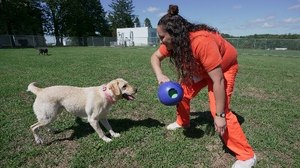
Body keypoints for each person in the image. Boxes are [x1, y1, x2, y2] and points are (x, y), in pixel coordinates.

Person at [150, 4, 256, 168]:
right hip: (202, 70)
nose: (160, 41)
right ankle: (182, 122)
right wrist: (160, 75)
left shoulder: (201, 42)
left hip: (224, 69)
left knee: (219, 110)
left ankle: (246, 156)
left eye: (162, 37)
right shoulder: (173, 43)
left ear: (174, 34)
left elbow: (218, 80)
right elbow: (155, 57)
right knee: (181, 93)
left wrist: (219, 116)